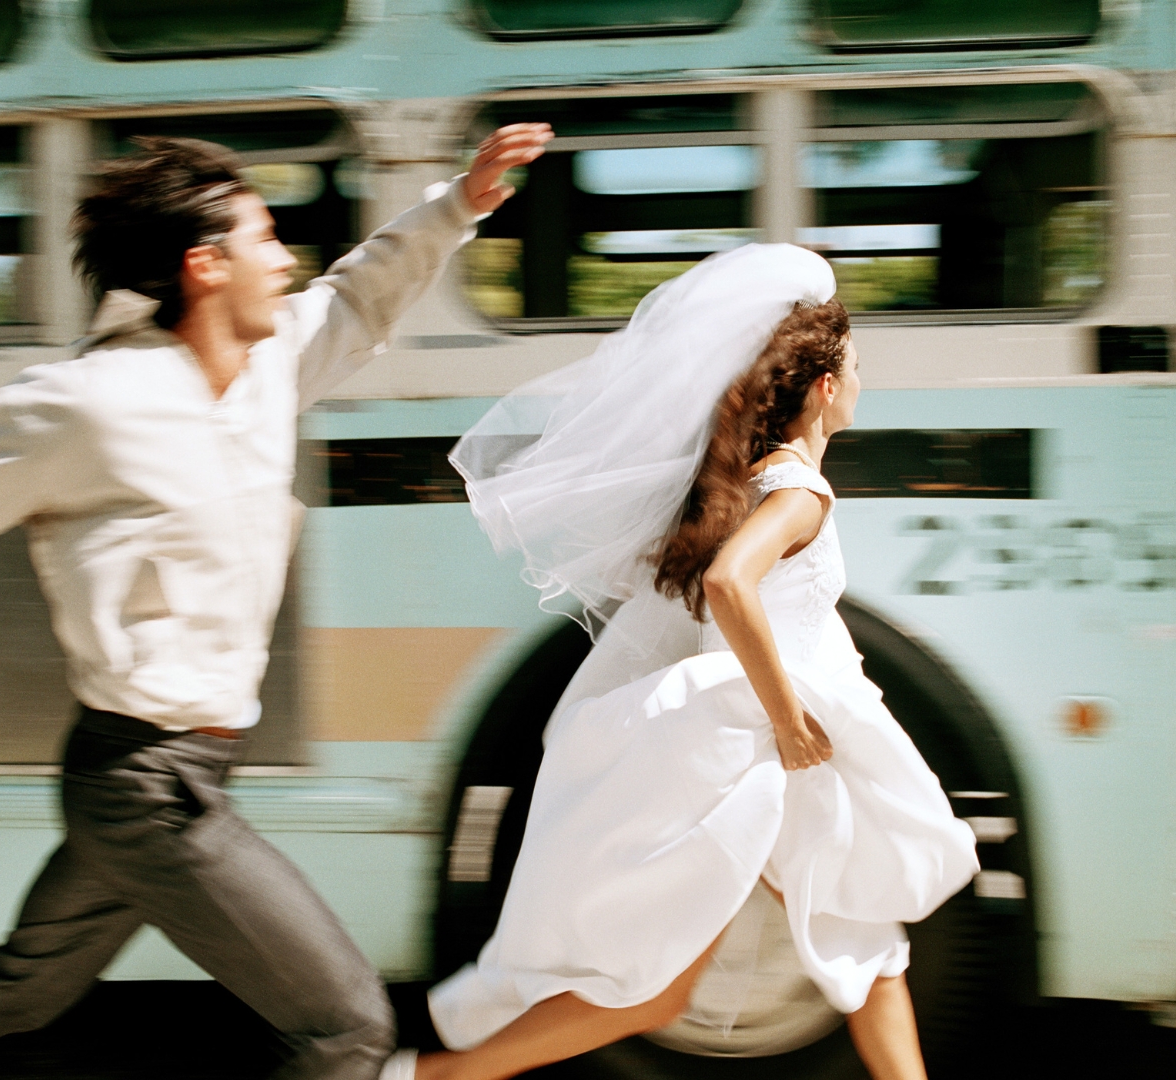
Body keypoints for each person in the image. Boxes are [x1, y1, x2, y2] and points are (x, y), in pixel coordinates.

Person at [0, 123, 552, 1080]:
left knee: (23, 985)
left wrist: (462, 202)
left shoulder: (266, 367)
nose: (286, 262)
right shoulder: (90, 403)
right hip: (146, 784)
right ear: (204, 266)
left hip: (173, 769)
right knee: (346, 1033)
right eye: (266, 240)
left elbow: (362, 292)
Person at [384, 245, 980, 1080]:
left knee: (676, 987)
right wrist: (786, 717)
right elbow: (732, 585)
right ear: (824, 389)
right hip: (768, 747)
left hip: (736, 743)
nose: (860, 383)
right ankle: (431, 1077)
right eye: (855, 368)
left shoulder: (757, 477)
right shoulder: (800, 492)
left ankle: (428, 1077)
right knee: (860, 944)